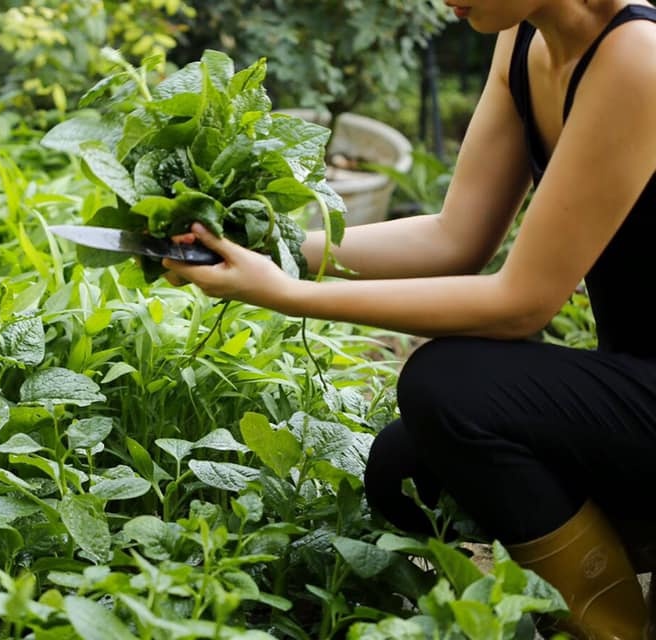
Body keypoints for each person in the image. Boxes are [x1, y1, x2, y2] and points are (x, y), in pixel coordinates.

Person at [163, 1, 656, 637]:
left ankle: (616, 629)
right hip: (636, 385)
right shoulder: (522, 37)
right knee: (407, 468)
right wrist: (269, 248)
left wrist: (286, 293)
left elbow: (523, 303)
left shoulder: (638, 58)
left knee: (446, 384)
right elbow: (455, 239)